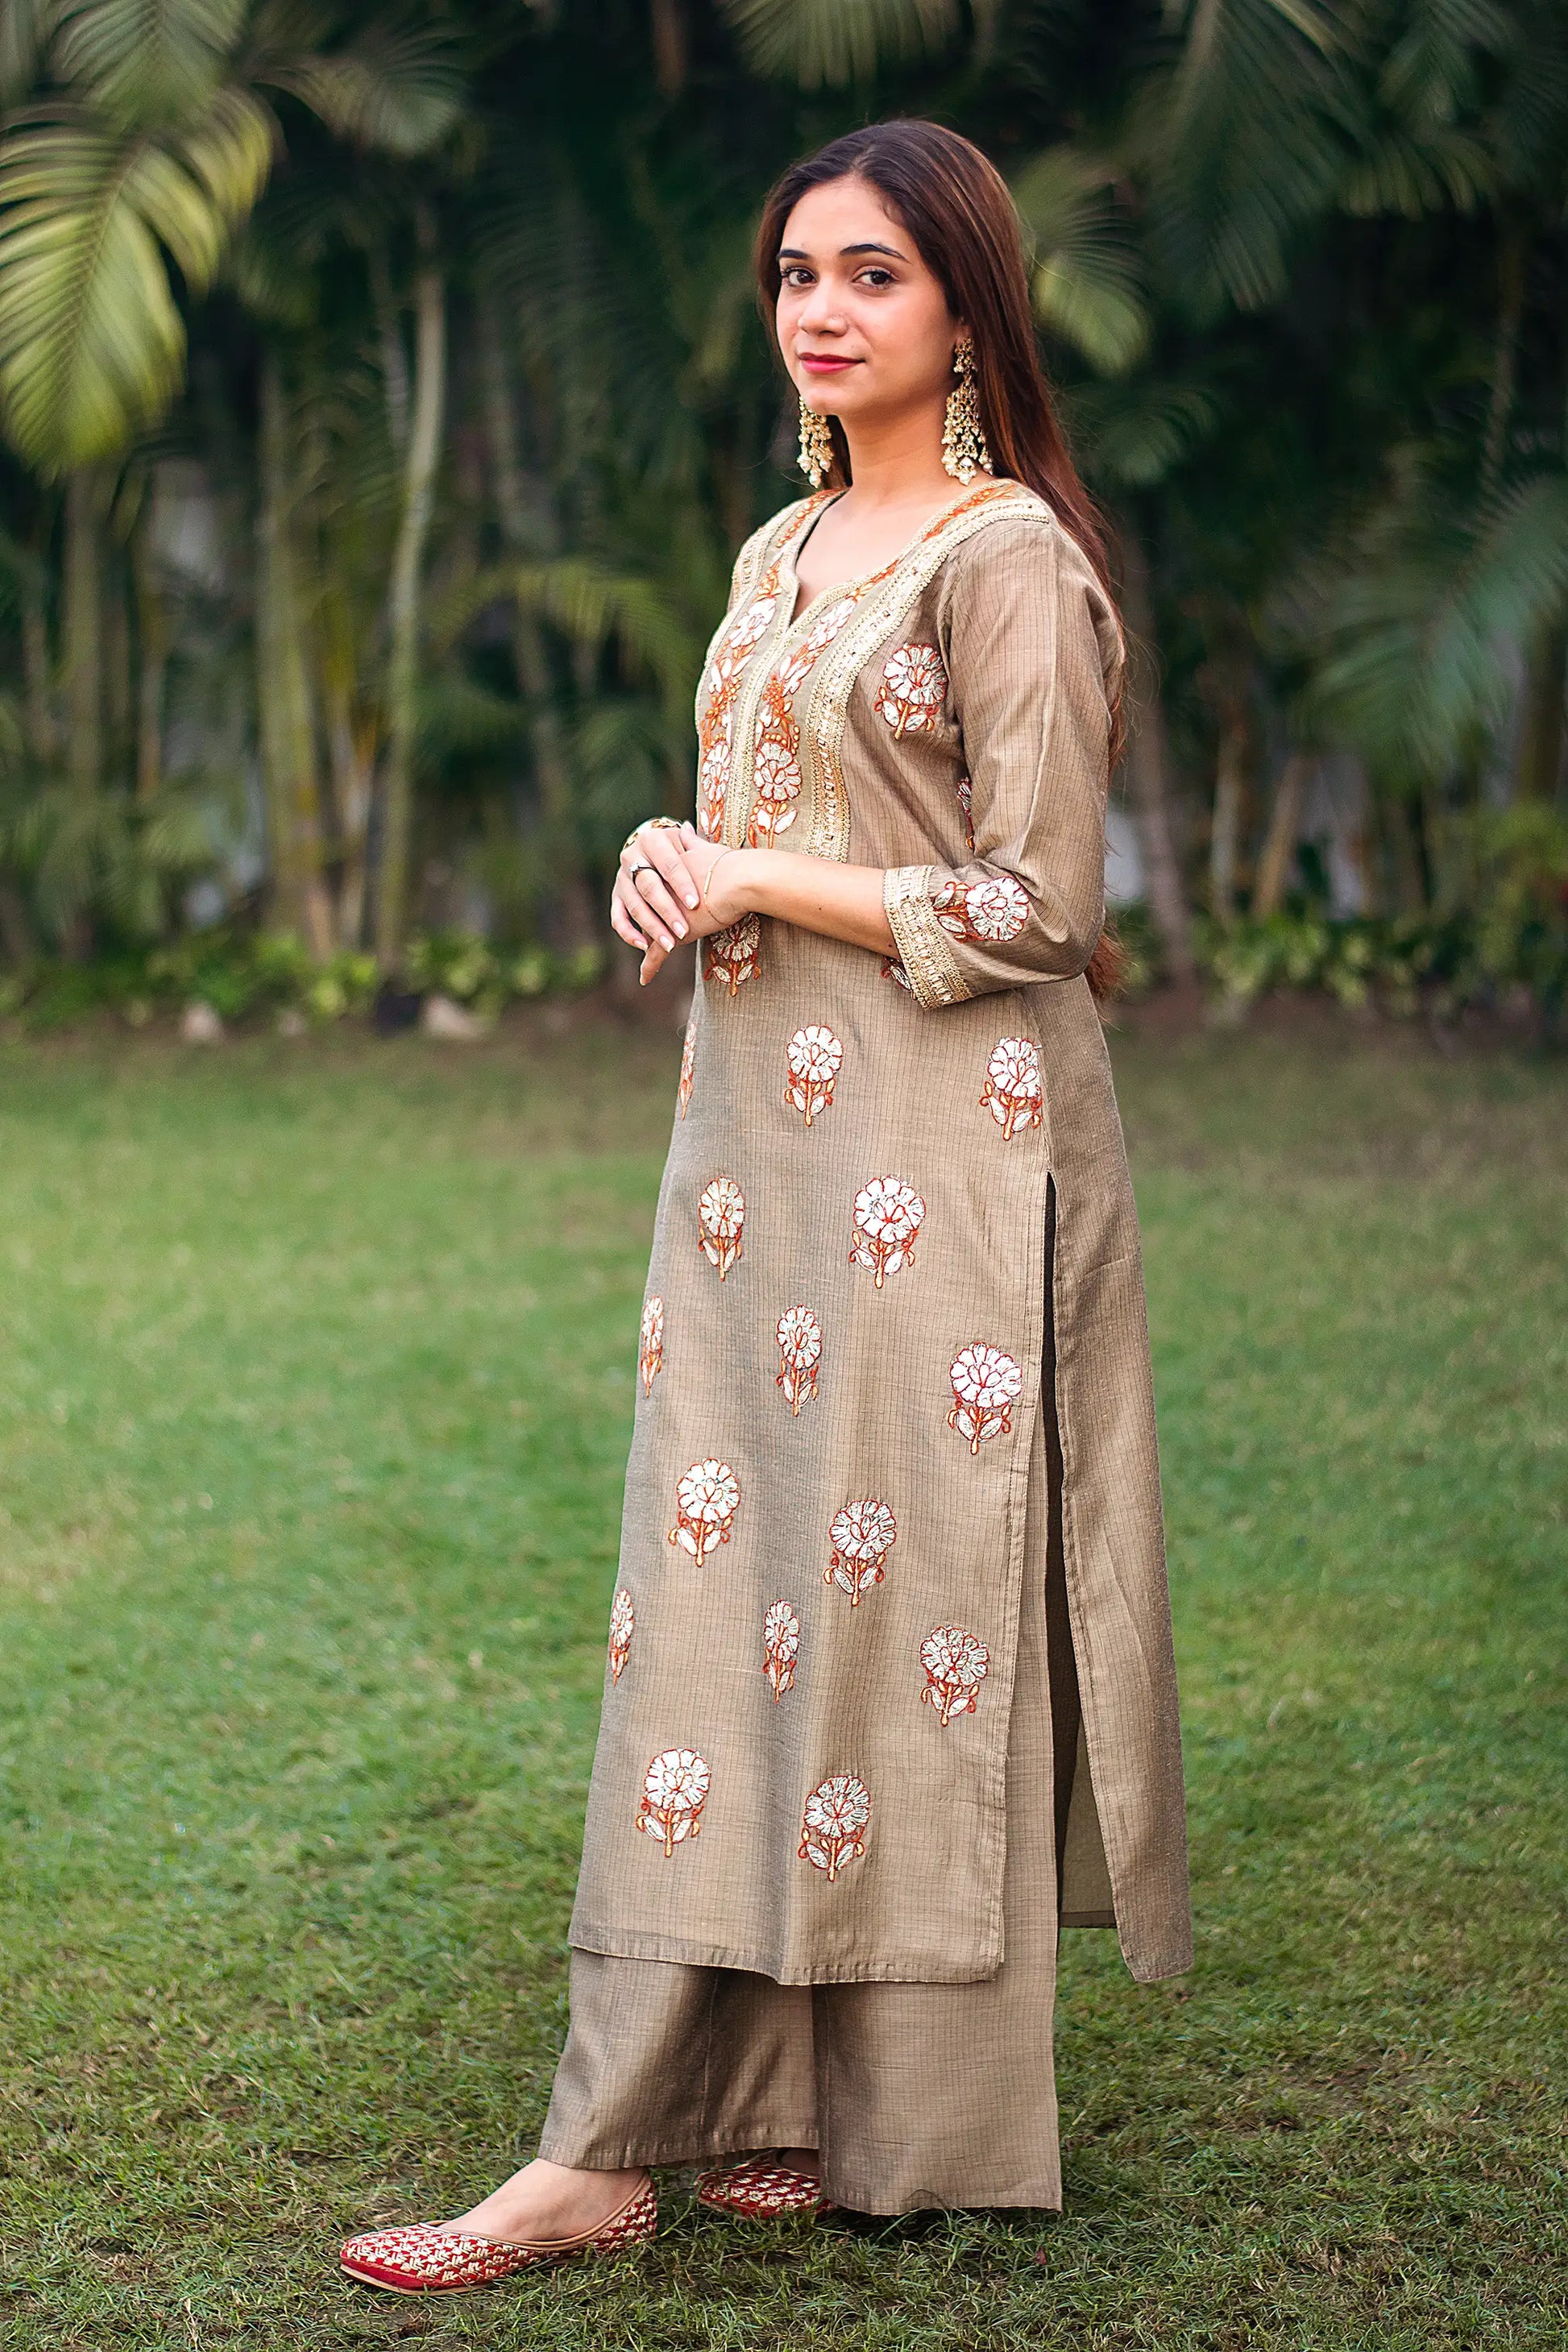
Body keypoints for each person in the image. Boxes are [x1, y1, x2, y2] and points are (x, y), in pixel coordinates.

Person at [340, 117, 1190, 2297]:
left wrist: (755, 874)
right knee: (725, 1615)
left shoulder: (1001, 560)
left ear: (964, 308)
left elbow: (1041, 906)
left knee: (908, 1621)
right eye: (796, 273)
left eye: (871, 274)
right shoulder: (773, 548)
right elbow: (757, 818)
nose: (818, 308)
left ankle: (781, 2124)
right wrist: (664, 845)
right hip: (759, 1164)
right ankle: (676, 2125)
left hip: (951, 1160)